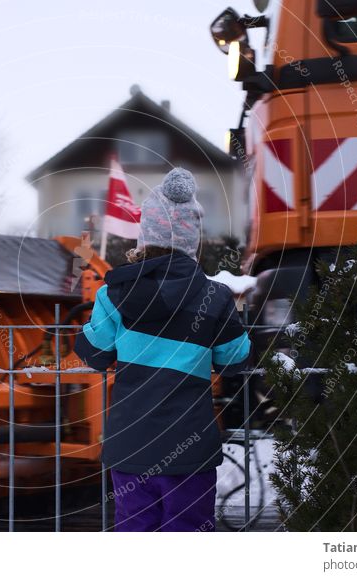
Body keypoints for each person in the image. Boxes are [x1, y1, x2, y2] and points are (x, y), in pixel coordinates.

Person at [74, 167, 251, 532]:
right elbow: (236, 360)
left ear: (146, 235)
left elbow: (94, 354)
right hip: (190, 449)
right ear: (192, 239)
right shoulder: (214, 296)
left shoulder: (113, 293)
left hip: (130, 447)